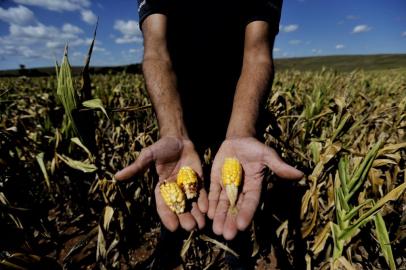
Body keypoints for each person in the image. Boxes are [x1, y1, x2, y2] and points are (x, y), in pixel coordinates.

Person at [115, 0, 302, 256]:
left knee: (231, 197)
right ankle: (168, 246)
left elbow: (257, 54)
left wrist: (241, 131)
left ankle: (237, 251)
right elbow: (156, 52)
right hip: (177, 104)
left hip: (240, 105)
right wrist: (173, 131)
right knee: (174, 181)